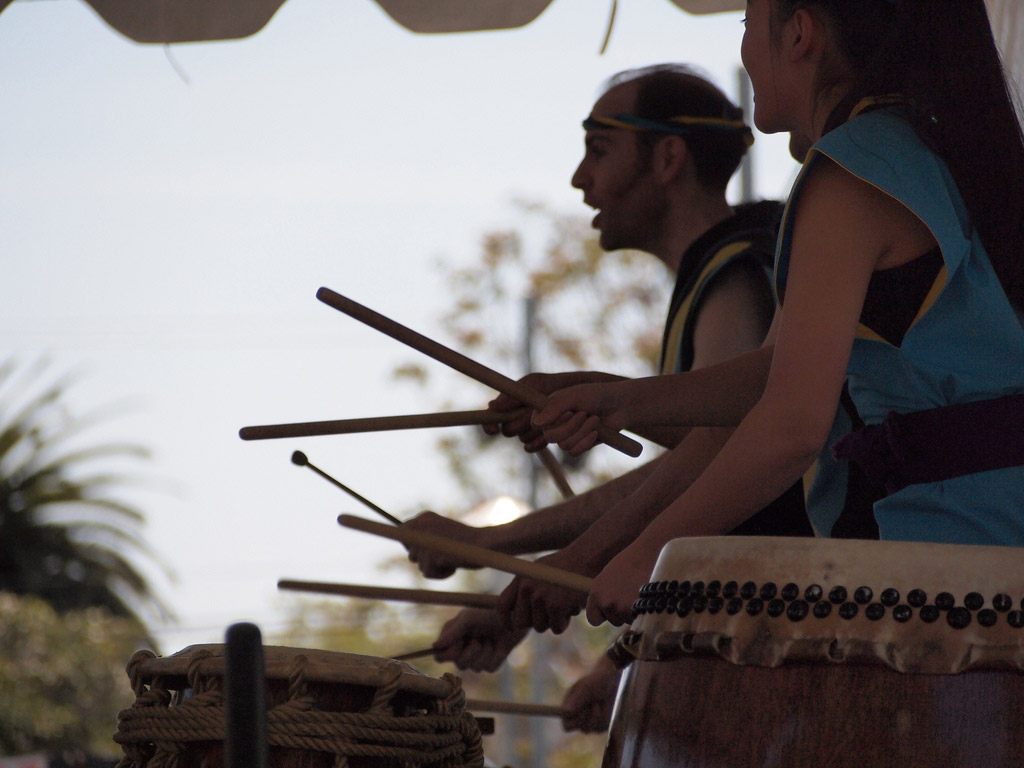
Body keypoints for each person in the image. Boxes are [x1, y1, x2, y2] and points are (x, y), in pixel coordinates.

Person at [520, 0, 1024, 629]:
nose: (744, 50)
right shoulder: (932, 148)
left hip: (952, 576)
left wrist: (649, 555)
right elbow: (778, 376)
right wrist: (619, 402)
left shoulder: (855, 171)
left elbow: (791, 426)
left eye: (746, 25)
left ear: (800, 32)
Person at [403, 63, 812, 724]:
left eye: (598, 150)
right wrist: (609, 652)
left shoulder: (737, 277)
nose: (579, 178)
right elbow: (688, 472)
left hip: (780, 660)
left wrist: (519, 553)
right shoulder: (730, 269)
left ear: (668, 157)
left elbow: (719, 450)